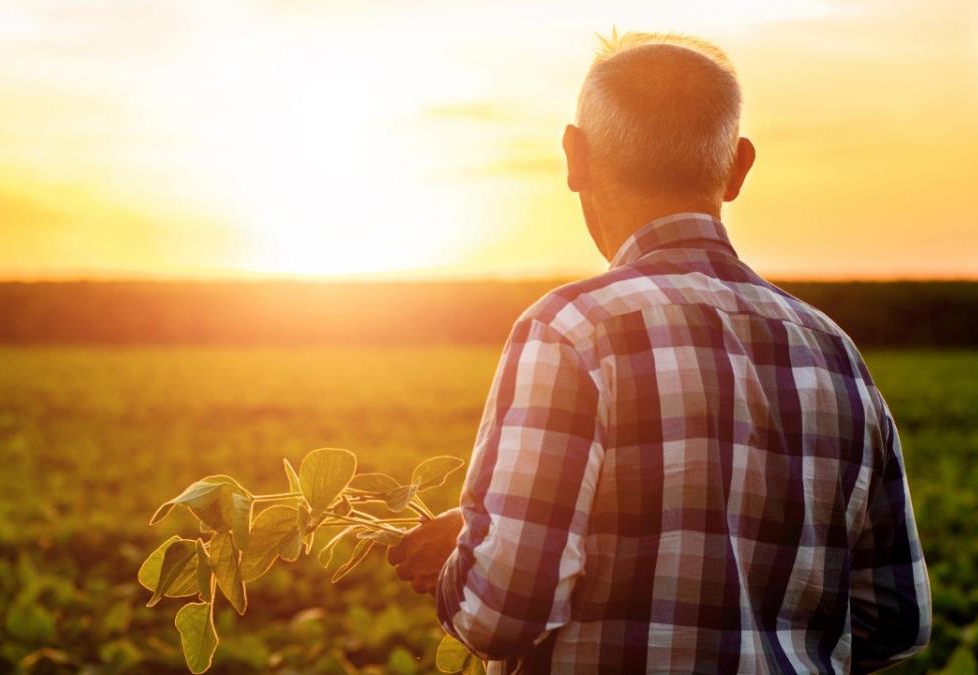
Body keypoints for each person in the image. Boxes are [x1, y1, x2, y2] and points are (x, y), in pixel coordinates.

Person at [387, 31, 931, 673]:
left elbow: (504, 609)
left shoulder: (571, 329)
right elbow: (896, 617)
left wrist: (464, 562)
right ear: (738, 167)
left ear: (575, 157)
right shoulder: (834, 351)